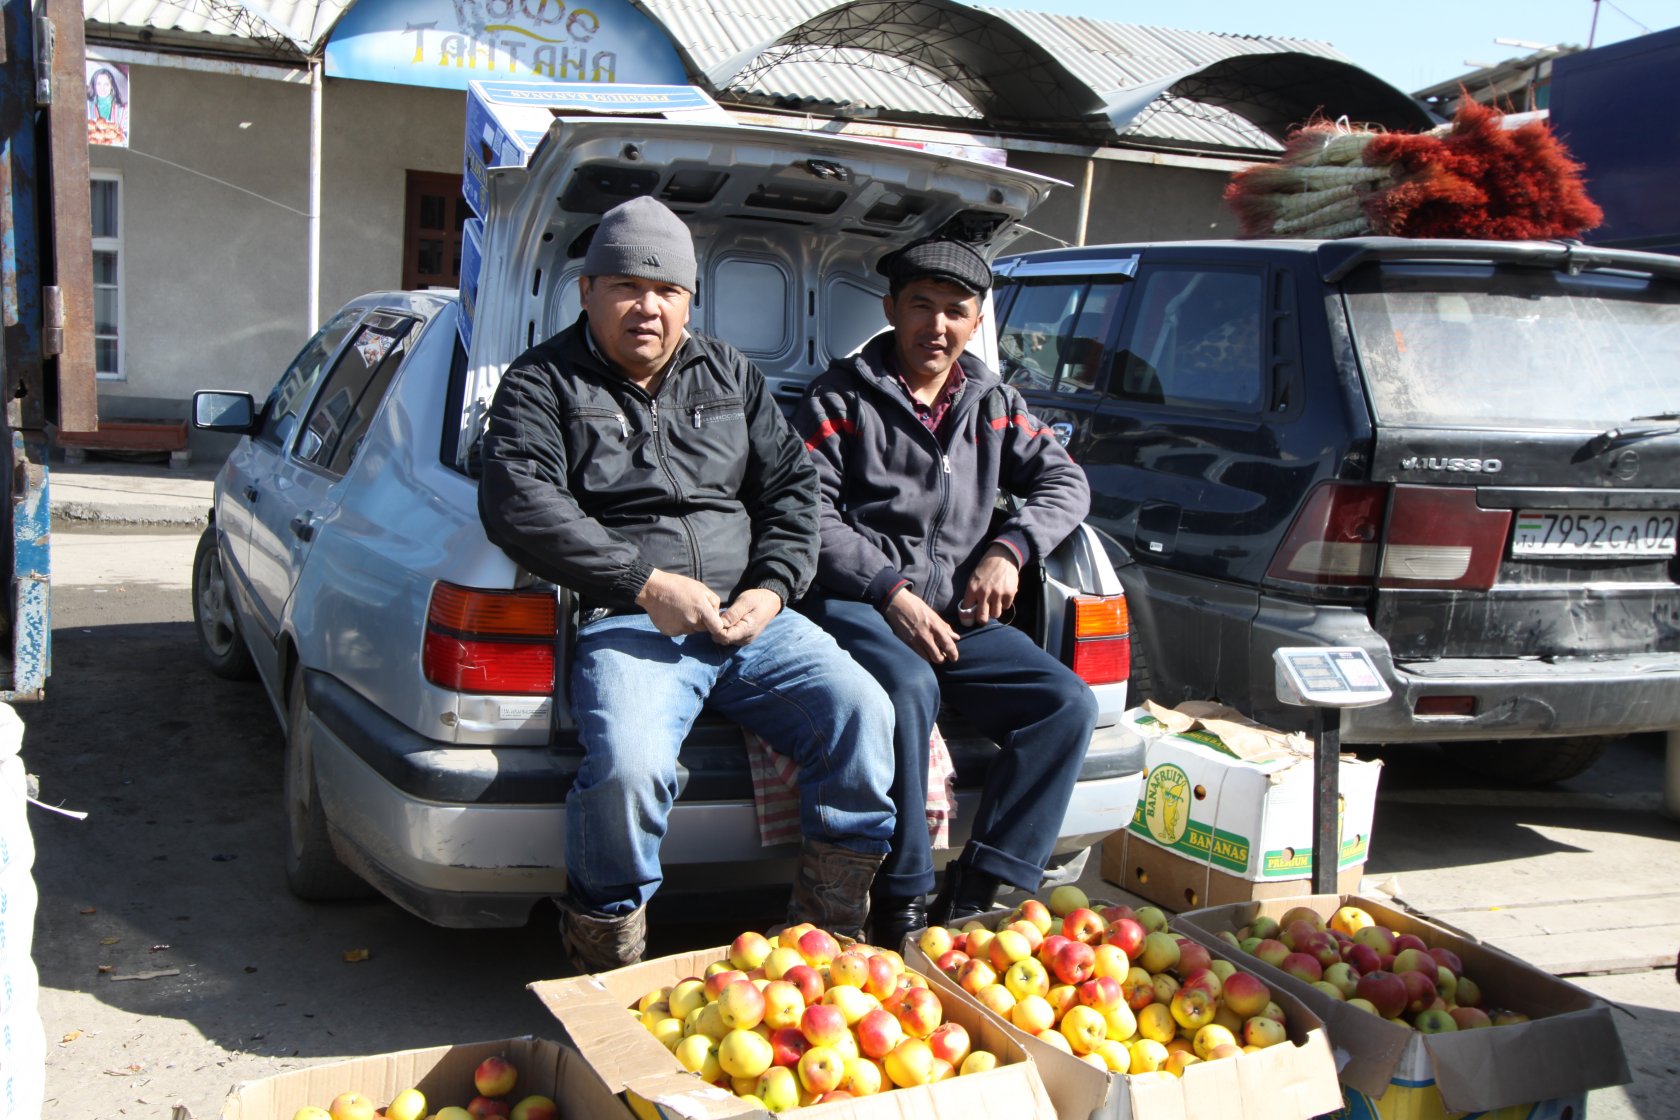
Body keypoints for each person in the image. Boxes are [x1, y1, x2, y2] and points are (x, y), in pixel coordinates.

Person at [477, 196, 896, 971]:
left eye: (667, 290)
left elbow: (792, 493)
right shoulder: (543, 384)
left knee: (864, 711)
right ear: (587, 290)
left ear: (690, 300)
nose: (648, 307)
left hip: (751, 619)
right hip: (633, 620)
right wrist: (644, 583)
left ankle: (826, 935)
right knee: (631, 768)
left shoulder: (731, 372)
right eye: (626, 286)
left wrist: (772, 590)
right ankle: (608, 950)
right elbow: (519, 503)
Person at [793, 236, 1099, 951]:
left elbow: (1067, 483)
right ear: (891, 309)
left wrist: (1009, 549)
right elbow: (809, 516)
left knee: (1066, 703)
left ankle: (982, 889)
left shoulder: (993, 401)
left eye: (955, 311)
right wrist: (891, 591)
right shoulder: (838, 398)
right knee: (906, 690)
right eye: (921, 306)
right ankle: (902, 897)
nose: (937, 326)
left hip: (958, 613)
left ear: (974, 320)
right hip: (858, 604)